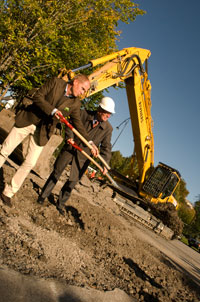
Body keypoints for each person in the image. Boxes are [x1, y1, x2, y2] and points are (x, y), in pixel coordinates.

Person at [0, 74, 98, 207]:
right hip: (28, 120)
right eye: (82, 89)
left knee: (30, 163)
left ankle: (8, 192)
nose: (83, 93)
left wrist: (90, 143)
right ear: (75, 82)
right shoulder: (55, 82)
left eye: (85, 91)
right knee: (5, 149)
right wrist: (53, 111)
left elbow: (78, 124)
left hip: (43, 132)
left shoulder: (75, 104)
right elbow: (38, 97)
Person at [37, 96, 115, 215]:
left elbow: (106, 147)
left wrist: (105, 163)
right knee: (56, 172)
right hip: (70, 149)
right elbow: (71, 124)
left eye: (110, 114)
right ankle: (43, 196)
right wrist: (69, 137)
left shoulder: (108, 129)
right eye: (107, 113)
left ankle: (60, 204)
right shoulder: (84, 114)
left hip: (83, 158)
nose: (108, 116)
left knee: (72, 182)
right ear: (100, 109)